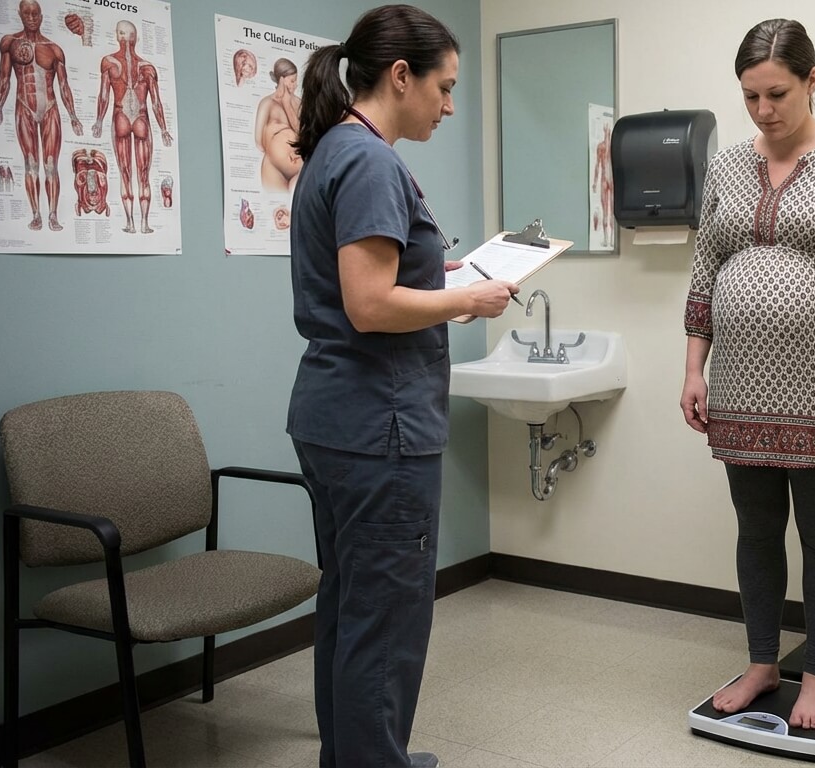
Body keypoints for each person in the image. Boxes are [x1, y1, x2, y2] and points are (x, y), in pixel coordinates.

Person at [286, 5, 518, 767]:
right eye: (444, 88)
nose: (449, 106)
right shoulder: (373, 162)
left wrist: (439, 272)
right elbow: (369, 303)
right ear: (399, 76)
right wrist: (469, 299)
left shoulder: (334, 151)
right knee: (385, 619)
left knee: (351, 607)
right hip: (378, 426)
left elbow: (377, 278)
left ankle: (358, 756)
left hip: (334, 418)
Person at [680, 18, 815, 730]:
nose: (763, 109)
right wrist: (695, 367)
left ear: (812, 81)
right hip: (741, 382)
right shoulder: (725, 167)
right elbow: (705, 268)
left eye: (777, 92)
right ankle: (760, 664)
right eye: (749, 96)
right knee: (754, 531)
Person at [0, 0, 83, 231]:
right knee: (31, 164)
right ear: (20, 14)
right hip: (24, 106)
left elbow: (64, 86)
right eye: (27, 13)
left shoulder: (54, 49)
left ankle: (52, 215)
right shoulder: (10, 43)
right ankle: (36, 214)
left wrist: (73, 115)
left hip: (50, 107)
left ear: (41, 16)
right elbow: (4, 78)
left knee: (51, 165)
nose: (31, 17)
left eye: (35, 13)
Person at [92, 19, 172, 234]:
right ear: (135, 38)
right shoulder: (146, 68)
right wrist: (163, 129)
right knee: (142, 173)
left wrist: (99, 120)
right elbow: (155, 101)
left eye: (123, 34)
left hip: (121, 116)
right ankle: (143, 224)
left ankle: (132, 223)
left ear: (120, 37)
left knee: (126, 172)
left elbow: (103, 95)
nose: (124, 39)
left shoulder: (109, 63)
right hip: (140, 118)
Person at [255, 57, 303, 191]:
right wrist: (278, 152)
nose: (295, 84)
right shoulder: (267, 103)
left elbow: (304, 135)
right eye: (292, 80)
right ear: (281, 79)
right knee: (274, 206)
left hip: (299, 169)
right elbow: (259, 142)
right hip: (273, 169)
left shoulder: (299, 103)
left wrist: (287, 104)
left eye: (296, 80)